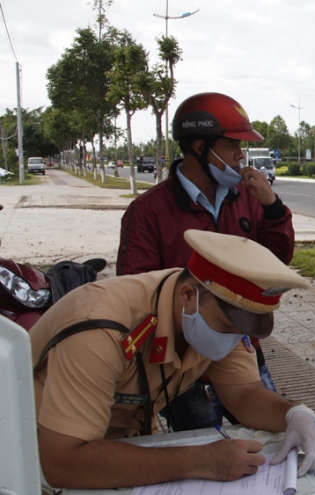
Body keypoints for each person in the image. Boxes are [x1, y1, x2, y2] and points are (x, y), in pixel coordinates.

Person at [31, 230, 315, 489]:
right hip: (37, 454)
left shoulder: (211, 310)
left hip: (126, 442)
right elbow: (61, 462)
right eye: (227, 328)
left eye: (241, 332)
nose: (233, 340)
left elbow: (244, 395)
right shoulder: (100, 329)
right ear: (188, 296)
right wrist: (201, 461)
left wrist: (295, 414)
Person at [117, 92, 295, 432]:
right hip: (184, 361)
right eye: (232, 146)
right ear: (200, 147)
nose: (241, 155)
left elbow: (276, 262)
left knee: (274, 432)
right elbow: (135, 288)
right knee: (201, 448)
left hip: (241, 341)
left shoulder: (248, 198)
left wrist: (273, 208)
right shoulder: (148, 212)